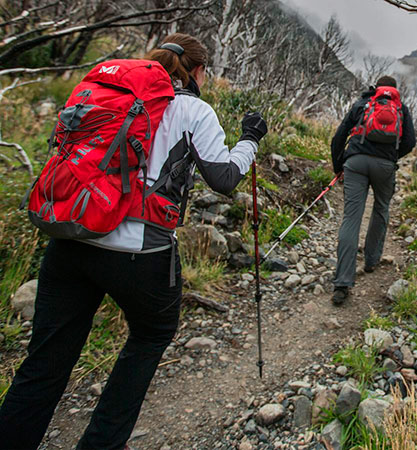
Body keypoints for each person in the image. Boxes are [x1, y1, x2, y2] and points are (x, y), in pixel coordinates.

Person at [0, 33, 267, 449]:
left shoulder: (106, 94)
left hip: (72, 235)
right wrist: (250, 139)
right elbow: (224, 178)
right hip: (140, 251)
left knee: (44, 363)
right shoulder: (193, 110)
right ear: (198, 71)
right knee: (151, 334)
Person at [330, 75, 416, 305]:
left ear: (376, 89)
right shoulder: (401, 109)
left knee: (351, 218)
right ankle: (371, 261)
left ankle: (342, 283)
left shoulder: (362, 104)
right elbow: (410, 142)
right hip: (385, 166)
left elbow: (338, 137)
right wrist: (392, 156)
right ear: (394, 91)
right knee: (381, 208)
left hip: (355, 163)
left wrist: (339, 166)